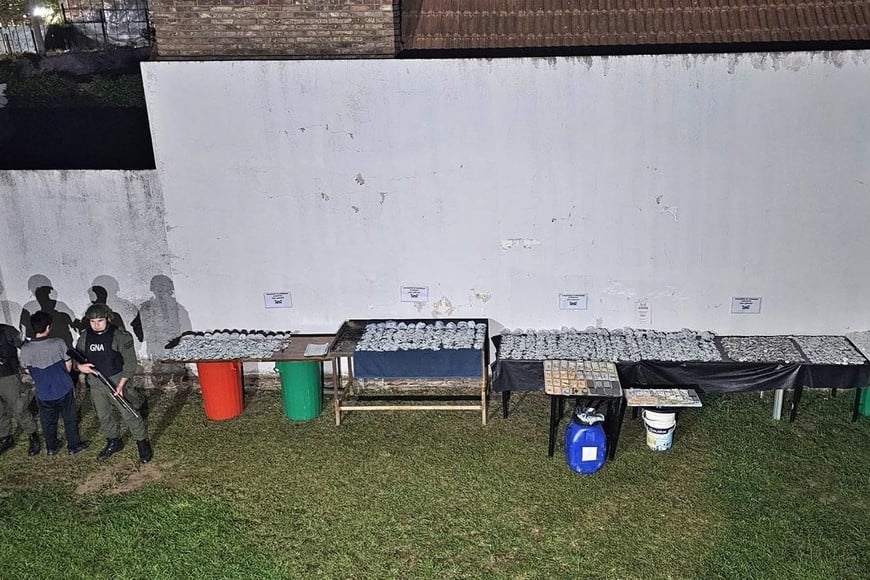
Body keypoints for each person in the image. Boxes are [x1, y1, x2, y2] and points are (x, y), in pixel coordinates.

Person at [75, 303, 152, 463]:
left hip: (117, 380)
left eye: (100, 321)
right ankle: (113, 441)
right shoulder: (85, 337)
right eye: (92, 321)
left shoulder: (120, 336)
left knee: (129, 414)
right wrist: (80, 366)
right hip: (96, 383)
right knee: (103, 415)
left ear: (108, 319)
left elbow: (130, 363)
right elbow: (78, 358)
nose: (96, 325)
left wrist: (121, 384)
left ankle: (142, 443)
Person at [18, 311, 88, 456]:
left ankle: (51, 447)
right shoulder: (58, 343)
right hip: (63, 388)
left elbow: (26, 370)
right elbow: (68, 366)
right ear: (48, 327)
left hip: (43, 393)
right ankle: (74, 446)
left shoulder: (25, 349)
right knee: (70, 419)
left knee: (48, 422)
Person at [0, 322, 40, 456]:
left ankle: (33, 435)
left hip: (8, 376)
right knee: (0, 411)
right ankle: (5, 437)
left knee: (19, 408)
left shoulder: (7, 331)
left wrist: (26, 364)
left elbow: (25, 346)